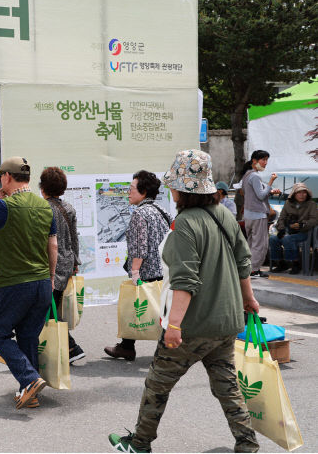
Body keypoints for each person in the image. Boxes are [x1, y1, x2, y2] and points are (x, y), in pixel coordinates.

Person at [109, 149, 259, 453]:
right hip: (228, 321)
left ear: (181, 189)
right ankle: (247, 444)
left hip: (193, 325)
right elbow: (244, 262)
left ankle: (139, 444)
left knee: (157, 385)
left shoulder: (186, 225)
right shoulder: (225, 216)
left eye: (173, 184)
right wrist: (250, 300)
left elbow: (185, 281)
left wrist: (173, 324)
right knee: (227, 386)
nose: (171, 190)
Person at [0, 156, 57, 410]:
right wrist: (50, 278)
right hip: (40, 282)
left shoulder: (5, 206)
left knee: (1, 335)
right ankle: (30, 392)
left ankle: (29, 379)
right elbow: (53, 245)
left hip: (16, 282)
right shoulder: (45, 206)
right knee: (28, 335)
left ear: (6, 178)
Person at [105, 170, 171, 361]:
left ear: (143, 192)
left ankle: (133, 347)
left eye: (132, 189)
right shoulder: (163, 211)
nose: (128, 192)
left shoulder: (140, 214)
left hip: (147, 272)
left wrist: (135, 271)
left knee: (139, 307)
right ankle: (127, 346)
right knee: (160, 309)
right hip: (163, 270)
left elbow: (139, 247)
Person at [39, 167, 85, 363]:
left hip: (51, 263)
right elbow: (75, 238)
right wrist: (76, 262)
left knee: (48, 309)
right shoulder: (69, 208)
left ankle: (71, 348)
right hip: (67, 263)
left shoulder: (43, 209)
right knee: (53, 306)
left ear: (43, 188)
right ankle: (61, 348)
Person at [242, 150, 281, 278]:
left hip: (248, 215)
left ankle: (248, 269)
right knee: (261, 244)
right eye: (263, 160)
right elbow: (260, 196)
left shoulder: (247, 174)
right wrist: (271, 182)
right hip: (258, 215)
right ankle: (254, 270)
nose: (265, 163)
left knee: (251, 243)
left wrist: (268, 190)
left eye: (266, 160)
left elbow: (253, 193)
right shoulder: (255, 176)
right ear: (254, 161)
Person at [269, 182, 318, 274]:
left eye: (304, 192)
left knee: (288, 239)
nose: (302, 195)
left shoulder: (312, 204)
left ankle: (295, 263)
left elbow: (314, 220)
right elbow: (281, 218)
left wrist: (302, 225)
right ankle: (280, 263)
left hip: (304, 233)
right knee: (273, 239)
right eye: (299, 193)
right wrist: (282, 229)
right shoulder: (288, 203)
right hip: (288, 231)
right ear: (294, 194)